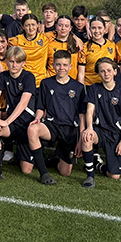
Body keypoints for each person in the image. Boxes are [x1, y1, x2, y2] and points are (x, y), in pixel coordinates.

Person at [28, 51, 83, 184]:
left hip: (69, 130)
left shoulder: (79, 87)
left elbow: (82, 115)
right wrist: (37, 118)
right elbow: (41, 107)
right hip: (51, 126)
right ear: (53, 65)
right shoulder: (46, 83)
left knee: (65, 172)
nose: (61, 68)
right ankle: (44, 174)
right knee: (32, 129)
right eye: (58, 64)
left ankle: (54, 158)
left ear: (70, 66)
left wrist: (81, 137)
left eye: (65, 65)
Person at [79, 57, 121, 187]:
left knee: (114, 175)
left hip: (115, 134)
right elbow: (89, 110)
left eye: (109, 70)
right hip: (99, 131)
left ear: (115, 72)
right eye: (102, 71)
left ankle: (97, 165)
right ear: (98, 73)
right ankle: (90, 176)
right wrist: (89, 128)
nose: (106, 74)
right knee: (87, 137)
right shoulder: (94, 89)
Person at [0, 47, 38, 182]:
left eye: (17, 62)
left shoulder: (29, 77)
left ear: (23, 63)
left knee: (26, 170)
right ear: (7, 62)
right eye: (11, 61)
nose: (14, 65)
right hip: (11, 123)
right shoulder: (3, 76)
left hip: (26, 124)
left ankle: (31, 154)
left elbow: (23, 103)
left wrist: (6, 122)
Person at [9, 14, 52, 86]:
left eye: (33, 25)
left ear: (37, 25)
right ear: (22, 27)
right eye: (27, 25)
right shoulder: (16, 41)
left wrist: (76, 39)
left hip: (41, 81)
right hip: (23, 81)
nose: (31, 28)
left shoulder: (45, 38)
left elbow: (63, 32)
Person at [45, 16, 86, 84]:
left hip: (71, 83)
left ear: (70, 28)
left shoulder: (77, 44)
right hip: (52, 82)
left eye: (66, 26)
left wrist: (80, 86)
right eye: (60, 25)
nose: (63, 28)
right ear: (56, 26)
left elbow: (81, 69)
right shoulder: (48, 41)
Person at [81, 15, 116, 88]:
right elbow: (81, 73)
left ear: (105, 29)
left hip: (108, 86)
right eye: (93, 28)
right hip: (90, 86)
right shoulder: (84, 47)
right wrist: (81, 90)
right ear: (90, 29)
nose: (97, 31)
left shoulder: (112, 45)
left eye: (99, 28)